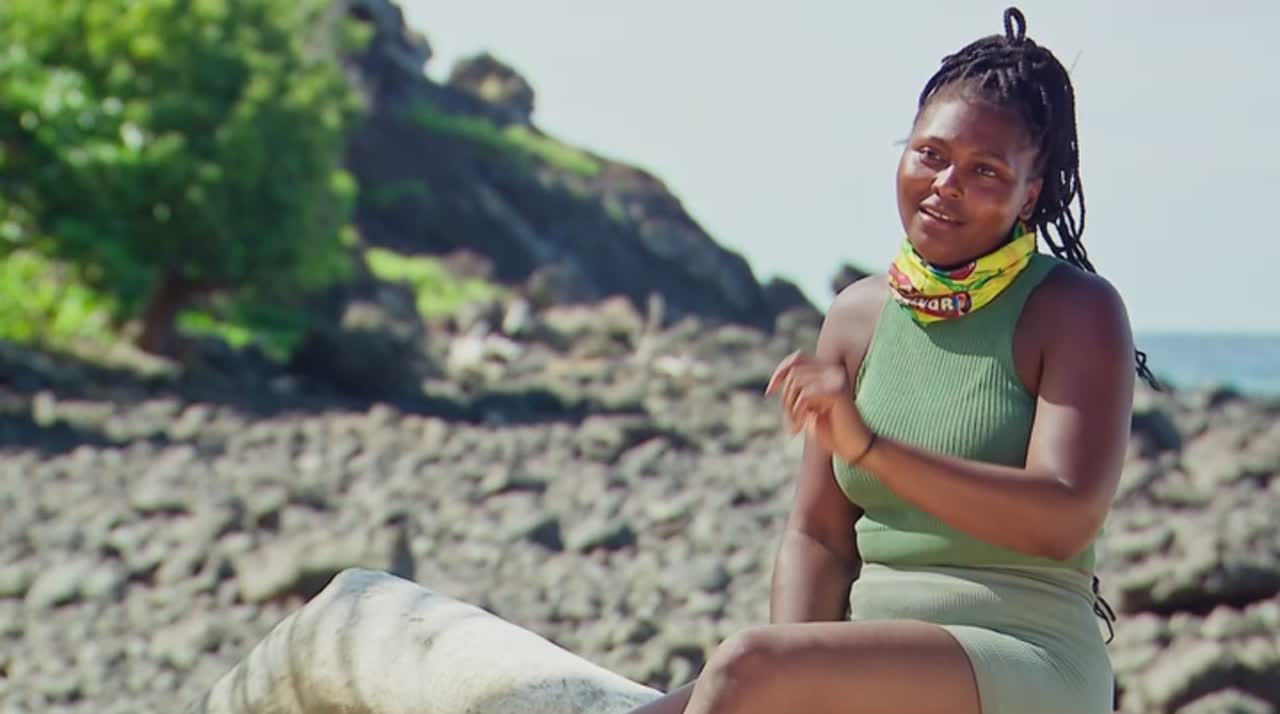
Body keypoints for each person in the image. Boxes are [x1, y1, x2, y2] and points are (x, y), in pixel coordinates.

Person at [625, 7, 1153, 714]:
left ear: (1029, 194)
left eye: (985, 170)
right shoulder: (858, 316)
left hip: (1023, 654)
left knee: (747, 665)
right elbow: (817, 535)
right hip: (872, 659)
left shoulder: (1075, 310)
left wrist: (870, 448)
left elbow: (1064, 518)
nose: (946, 183)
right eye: (931, 154)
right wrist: (796, 670)